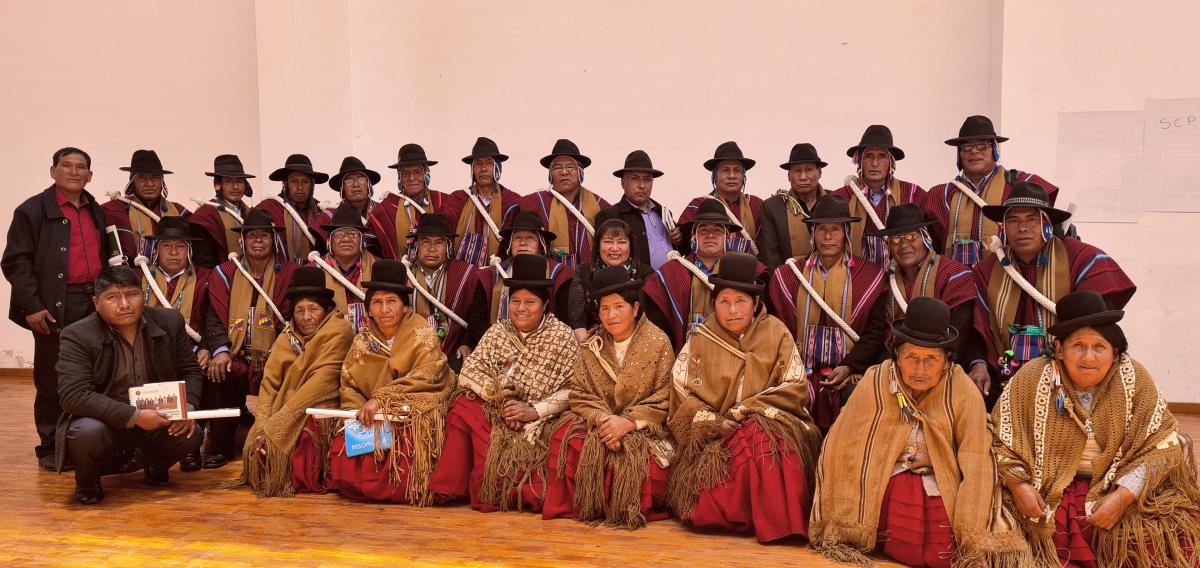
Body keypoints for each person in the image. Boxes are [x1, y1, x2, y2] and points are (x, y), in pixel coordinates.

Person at [811, 298, 1031, 567]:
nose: (920, 370)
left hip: (939, 482)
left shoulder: (963, 391)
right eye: (911, 357)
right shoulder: (875, 381)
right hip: (881, 480)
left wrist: (973, 531)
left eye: (931, 360)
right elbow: (843, 443)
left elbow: (977, 459)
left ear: (947, 361)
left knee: (939, 546)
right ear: (897, 356)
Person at [993, 291, 1200, 567]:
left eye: (1099, 347)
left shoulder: (1135, 379)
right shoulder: (1032, 378)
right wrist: (1019, 487)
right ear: (1059, 349)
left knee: (1165, 540)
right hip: (1046, 486)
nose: (1088, 357)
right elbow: (999, 438)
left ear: (1114, 353)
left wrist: (1123, 496)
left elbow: (1162, 445)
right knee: (1010, 538)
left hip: (1118, 484)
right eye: (1078, 345)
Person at [666, 252, 820, 542]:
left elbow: (795, 383)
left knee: (761, 437)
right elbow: (680, 391)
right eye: (724, 302)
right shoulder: (700, 339)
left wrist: (746, 410)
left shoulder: (776, 332)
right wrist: (713, 422)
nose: (733, 310)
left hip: (772, 424)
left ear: (756, 303)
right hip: (716, 432)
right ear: (714, 304)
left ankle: (779, 524)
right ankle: (751, 517)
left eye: (741, 301)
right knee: (747, 440)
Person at [429, 254, 579, 512]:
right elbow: (469, 373)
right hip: (498, 411)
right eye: (516, 301)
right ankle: (452, 488)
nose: (522, 309)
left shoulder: (562, 337)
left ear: (545, 305)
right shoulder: (498, 331)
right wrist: (504, 401)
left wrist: (532, 411)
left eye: (530, 302)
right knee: (464, 406)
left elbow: (574, 390)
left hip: (540, 419)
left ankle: (510, 489)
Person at [55, 266, 203, 505]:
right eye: (112, 297)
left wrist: (189, 406)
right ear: (96, 302)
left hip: (159, 417)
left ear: (142, 294)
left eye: (131, 294)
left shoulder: (169, 321)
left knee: (191, 434)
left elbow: (190, 371)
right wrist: (134, 416)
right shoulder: (78, 334)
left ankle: (156, 465)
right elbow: (74, 395)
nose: (124, 304)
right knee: (85, 432)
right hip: (106, 421)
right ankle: (88, 482)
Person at [3, 147, 111, 470]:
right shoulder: (31, 211)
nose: (74, 172)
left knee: (96, 373)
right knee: (52, 376)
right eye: (67, 166)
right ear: (53, 171)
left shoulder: (96, 210)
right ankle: (50, 445)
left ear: (90, 176)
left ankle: (89, 440)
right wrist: (32, 306)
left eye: (81, 167)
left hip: (93, 302)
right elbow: (15, 262)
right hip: (53, 305)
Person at [543, 265, 675, 528]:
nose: (611, 315)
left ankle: (622, 506)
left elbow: (665, 396)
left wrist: (627, 423)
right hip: (601, 424)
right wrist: (604, 420)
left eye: (619, 307)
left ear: (635, 309)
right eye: (604, 308)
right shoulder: (592, 344)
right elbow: (579, 392)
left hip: (642, 428)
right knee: (565, 436)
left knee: (640, 462)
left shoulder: (658, 342)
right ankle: (588, 504)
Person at [974, 182, 1135, 391]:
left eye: (1032, 219)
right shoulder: (987, 270)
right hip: (1006, 375)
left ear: (1047, 223)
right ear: (1003, 227)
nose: (1022, 228)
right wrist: (979, 364)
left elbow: (1098, 326)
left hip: (1069, 376)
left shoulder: (1083, 259)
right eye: (1013, 220)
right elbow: (979, 329)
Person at [328, 260, 456, 504]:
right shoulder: (363, 341)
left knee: (409, 444)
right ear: (369, 309)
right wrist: (358, 411)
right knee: (344, 452)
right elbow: (349, 383)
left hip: (412, 409)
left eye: (391, 301)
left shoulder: (422, 334)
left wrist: (383, 400)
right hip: (372, 415)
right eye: (377, 302)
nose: (384, 309)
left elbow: (429, 374)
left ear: (405, 307)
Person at [228, 267, 354, 497]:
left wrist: (279, 424)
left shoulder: (339, 332)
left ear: (326, 310)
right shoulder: (287, 336)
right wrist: (263, 421)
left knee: (311, 428)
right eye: (300, 310)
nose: (306, 317)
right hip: (286, 405)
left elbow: (322, 382)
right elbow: (270, 381)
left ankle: (292, 474)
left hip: (320, 402)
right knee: (259, 438)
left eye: (313, 309)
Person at [767, 194, 890, 429]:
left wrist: (849, 366)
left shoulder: (869, 275)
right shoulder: (790, 275)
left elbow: (875, 332)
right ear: (813, 233)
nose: (828, 236)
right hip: (799, 371)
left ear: (846, 232)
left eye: (835, 229)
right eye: (821, 229)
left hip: (848, 372)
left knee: (859, 403)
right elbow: (777, 328)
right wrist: (792, 368)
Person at [201, 208, 297, 469]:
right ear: (242, 239)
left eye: (264, 236)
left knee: (287, 374)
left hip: (274, 354)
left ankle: (275, 448)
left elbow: (293, 317)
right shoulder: (225, 272)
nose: (257, 241)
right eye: (252, 235)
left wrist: (280, 353)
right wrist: (220, 350)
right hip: (236, 355)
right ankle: (220, 447)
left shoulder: (287, 273)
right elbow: (213, 315)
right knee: (220, 373)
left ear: (273, 240)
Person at [876, 204, 990, 395]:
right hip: (894, 366)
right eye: (896, 238)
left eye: (912, 235)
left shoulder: (953, 274)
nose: (904, 244)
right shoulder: (886, 280)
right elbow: (881, 332)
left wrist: (926, 369)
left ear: (925, 236)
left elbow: (960, 333)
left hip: (945, 365)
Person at [923, 115, 1058, 266]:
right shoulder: (940, 195)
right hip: (957, 282)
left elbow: (1051, 227)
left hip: (1007, 278)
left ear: (995, 149)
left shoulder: (1022, 185)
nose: (974, 151)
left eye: (982, 146)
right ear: (959, 154)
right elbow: (929, 244)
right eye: (966, 147)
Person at [643, 199, 767, 351]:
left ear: (727, 237)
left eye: (717, 230)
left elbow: (761, 319)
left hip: (736, 355)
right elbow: (658, 326)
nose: (710, 235)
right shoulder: (673, 272)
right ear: (694, 236)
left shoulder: (748, 271)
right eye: (703, 230)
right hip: (687, 357)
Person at [140, 215, 212, 472]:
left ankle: (188, 447)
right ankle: (148, 447)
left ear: (189, 250)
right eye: (166, 246)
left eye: (180, 246)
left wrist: (206, 346)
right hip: (144, 349)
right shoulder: (140, 276)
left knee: (196, 373)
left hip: (189, 351)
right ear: (156, 249)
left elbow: (213, 318)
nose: (173, 252)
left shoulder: (205, 278)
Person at [403, 213, 488, 372]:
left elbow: (475, 317)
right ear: (416, 246)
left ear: (448, 246)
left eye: (439, 243)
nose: (432, 249)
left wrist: (466, 342)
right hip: (410, 351)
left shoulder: (468, 275)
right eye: (425, 242)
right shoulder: (404, 275)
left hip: (452, 349)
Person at [832, 125, 926, 266]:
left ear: (891, 163)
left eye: (882, 156)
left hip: (902, 275)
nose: (875, 163)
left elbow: (927, 240)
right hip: (856, 276)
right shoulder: (840, 198)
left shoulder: (913, 194)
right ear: (859, 162)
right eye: (869, 156)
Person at [510, 139, 610, 269]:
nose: (564, 172)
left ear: (580, 171)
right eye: (557, 167)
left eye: (570, 166)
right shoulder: (532, 204)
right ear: (550, 174)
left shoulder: (600, 206)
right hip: (549, 277)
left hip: (593, 278)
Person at [475, 211, 574, 324]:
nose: (523, 243)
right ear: (510, 244)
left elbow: (565, 318)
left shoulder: (560, 274)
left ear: (541, 245)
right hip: (497, 338)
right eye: (517, 238)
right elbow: (477, 320)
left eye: (530, 238)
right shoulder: (490, 275)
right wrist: (498, 339)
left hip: (545, 338)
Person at [565, 218, 656, 341]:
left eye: (621, 242)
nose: (614, 248)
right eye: (608, 242)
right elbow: (577, 321)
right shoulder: (584, 271)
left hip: (637, 340)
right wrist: (590, 348)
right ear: (598, 246)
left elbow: (649, 319)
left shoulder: (645, 273)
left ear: (631, 246)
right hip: (592, 340)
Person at [594, 150, 681, 269]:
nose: (642, 185)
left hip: (670, 280)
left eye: (647, 179)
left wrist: (679, 240)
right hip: (634, 285)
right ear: (623, 183)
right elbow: (601, 259)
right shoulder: (610, 216)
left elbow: (679, 248)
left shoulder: (664, 213)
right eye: (635, 178)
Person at [369, 145, 458, 260]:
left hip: (440, 276)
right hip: (400, 275)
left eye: (417, 172)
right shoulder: (386, 210)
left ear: (426, 173)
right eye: (406, 173)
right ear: (399, 177)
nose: (411, 178)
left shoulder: (444, 202)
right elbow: (369, 247)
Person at [102, 149, 190, 261]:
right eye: (142, 177)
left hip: (172, 276)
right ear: (132, 182)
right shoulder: (114, 210)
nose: (149, 184)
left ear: (162, 182)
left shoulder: (179, 212)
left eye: (155, 177)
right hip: (130, 276)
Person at [677, 141, 763, 255]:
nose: (732, 176)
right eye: (725, 170)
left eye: (737, 170)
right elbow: (683, 245)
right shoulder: (699, 205)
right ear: (715, 175)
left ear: (743, 176)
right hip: (706, 271)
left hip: (750, 270)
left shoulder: (757, 204)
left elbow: (767, 247)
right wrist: (678, 238)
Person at [449, 137, 522, 267]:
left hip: (499, 272)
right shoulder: (458, 199)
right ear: (472, 169)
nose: (483, 169)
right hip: (462, 272)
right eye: (478, 163)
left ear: (498, 167)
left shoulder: (513, 201)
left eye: (489, 163)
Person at [758, 143, 828, 269]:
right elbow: (771, 257)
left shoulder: (834, 201)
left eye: (809, 169)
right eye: (797, 171)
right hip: (790, 279)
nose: (803, 177)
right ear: (789, 176)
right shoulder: (773, 207)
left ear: (819, 173)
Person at [311, 201, 377, 333]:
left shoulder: (378, 268)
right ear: (329, 240)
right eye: (340, 234)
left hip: (372, 342)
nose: (346, 239)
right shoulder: (314, 270)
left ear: (362, 240)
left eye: (353, 234)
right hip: (328, 342)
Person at [255, 154, 329, 264]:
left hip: (316, 274)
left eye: (305, 182)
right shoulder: (268, 209)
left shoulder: (321, 211)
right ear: (285, 183)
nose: (300, 187)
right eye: (294, 181)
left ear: (312, 185)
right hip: (280, 274)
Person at [189, 154, 255, 268]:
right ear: (218, 185)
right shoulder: (205, 216)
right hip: (220, 279)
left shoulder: (251, 214)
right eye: (228, 181)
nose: (235, 187)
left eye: (239, 181)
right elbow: (203, 263)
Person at [315, 156, 382, 248]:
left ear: (368, 184)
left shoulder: (382, 212)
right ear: (342, 188)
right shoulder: (330, 215)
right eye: (349, 181)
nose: (356, 184)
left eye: (361, 179)